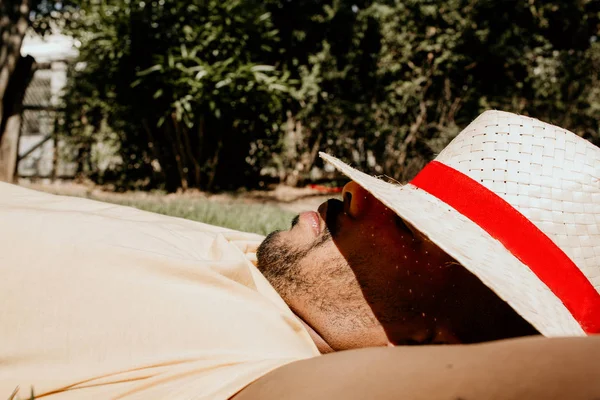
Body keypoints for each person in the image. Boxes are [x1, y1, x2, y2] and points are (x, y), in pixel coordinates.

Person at [1, 110, 598, 399]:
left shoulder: (262, 373)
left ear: (432, 346)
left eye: (411, 231)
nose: (354, 192)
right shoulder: (285, 272)